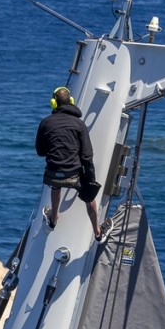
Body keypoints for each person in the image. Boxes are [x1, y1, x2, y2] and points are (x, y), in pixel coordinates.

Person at [35, 86, 110, 241]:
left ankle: (53, 220)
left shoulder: (45, 123)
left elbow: (41, 151)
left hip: (52, 173)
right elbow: (87, 155)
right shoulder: (79, 125)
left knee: (56, 185)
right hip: (74, 174)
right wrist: (90, 180)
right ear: (71, 102)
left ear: (53, 103)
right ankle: (97, 232)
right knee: (90, 200)